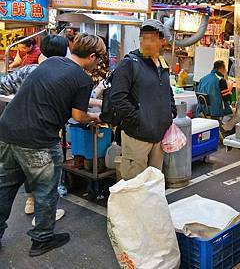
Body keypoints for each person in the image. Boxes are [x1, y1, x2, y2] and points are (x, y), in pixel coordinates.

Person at [0, 33, 104, 256]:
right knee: (45, 190)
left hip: (7, 130)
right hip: (39, 140)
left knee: (4, 188)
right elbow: (78, 115)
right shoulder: (82, 79)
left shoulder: (53, 62)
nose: (98, 64)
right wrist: (95, 118)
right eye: (99, 60)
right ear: (92, 56)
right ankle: (42, 239)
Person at [0, 35, 69, 218]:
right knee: (44, 181)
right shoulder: (65, 74)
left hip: (10, 129)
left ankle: (30, 201)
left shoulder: (28, 71)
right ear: (65, 52)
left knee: (6, 184)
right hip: (41, 134)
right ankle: (43, 225)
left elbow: (2, 86)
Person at [110, 19, 176, 180]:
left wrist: (170, 112)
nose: (147, 41)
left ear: (162, 41)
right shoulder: (129, 63)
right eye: (144, 37)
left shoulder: (162, 63)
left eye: (153, 38)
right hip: (136, 136)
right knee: (134, 185)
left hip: (159, 135)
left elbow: (167, 91)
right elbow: (117, 98)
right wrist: (139, 119)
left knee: (153, 184)